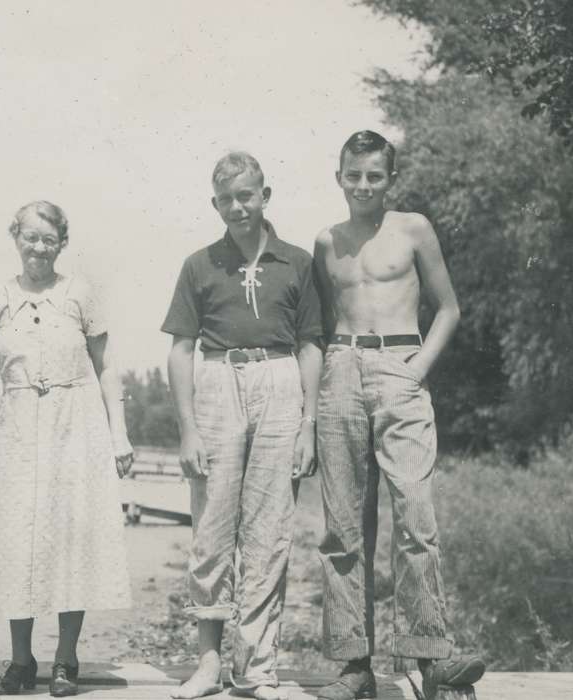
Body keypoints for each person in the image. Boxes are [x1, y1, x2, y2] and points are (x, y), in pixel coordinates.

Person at [312, 130, 485, 700]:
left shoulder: (413, 228)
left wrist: (416, 370)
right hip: (341, 371)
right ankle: (354, 666)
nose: (363, 186)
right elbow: (319, 323)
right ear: (339, 176)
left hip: (400, 368)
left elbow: (450, 309)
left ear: (392, 180)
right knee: (342, 527)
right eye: (353, 175)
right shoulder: (326, 240)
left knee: (415, 516)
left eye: (374, 176)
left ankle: (430, 658)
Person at [161, 152, 322, 700]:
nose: (238, 207)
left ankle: (256, 668)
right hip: (217, 382)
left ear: (265, 195)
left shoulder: (298, 262)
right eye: (227, 199)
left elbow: (310, 345)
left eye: (247, 195)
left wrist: (308, 425)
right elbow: (181, 350)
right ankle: (208, 664)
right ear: (215, 204)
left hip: (280, 382)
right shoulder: (199, 264)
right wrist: (187, 428)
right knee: (211, 529)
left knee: (269, 530)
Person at [0, 201, 134, 698]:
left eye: (48, 239)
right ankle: (19, 661)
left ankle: (66, 659)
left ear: (62, 243)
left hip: (75, 422)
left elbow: (106, 366)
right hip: (17, 425)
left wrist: (118, 433)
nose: (38, 247)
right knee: (18, 541)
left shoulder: (79, 294)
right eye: (29, 237)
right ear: (15, 237)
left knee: (71, 537)